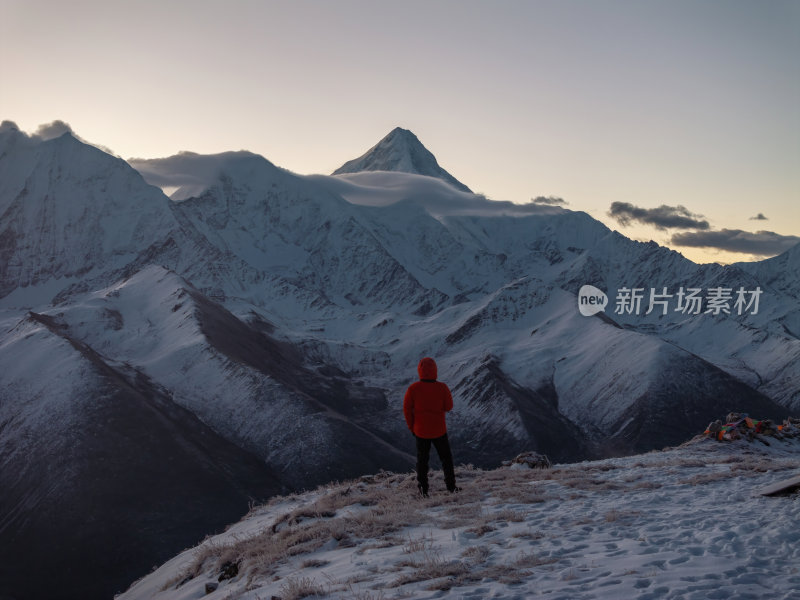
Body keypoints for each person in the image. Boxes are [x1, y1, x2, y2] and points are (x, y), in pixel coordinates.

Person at [403, 357, 459, 497]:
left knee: (422, 461)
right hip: (439, 430)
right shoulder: (442, 387)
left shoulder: (413, 389)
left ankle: (423, 490)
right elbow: (449, 406)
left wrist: (412, 427)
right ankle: (451, 487)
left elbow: (407, 410)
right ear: (435, 370)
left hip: (421, 431)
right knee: (446, 459)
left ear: (420, 371)